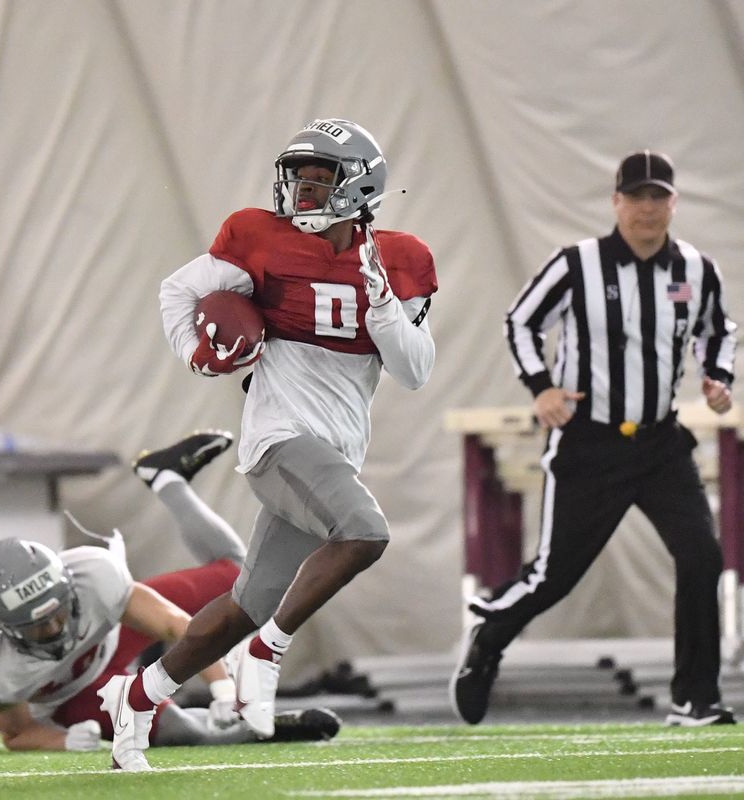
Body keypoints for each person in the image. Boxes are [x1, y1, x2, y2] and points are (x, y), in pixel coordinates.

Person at [98, 119, 438, 770]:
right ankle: (267, 654)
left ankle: (136, 702)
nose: (303, 191)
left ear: (358, 185)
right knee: (364, 532)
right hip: (279, 438)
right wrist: (194, 353)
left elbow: (416, 371)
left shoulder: (401, 257)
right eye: (300, 177)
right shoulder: (258, 237)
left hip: (332, 450)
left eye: (319, 179)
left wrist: (383, 305)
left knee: (242, 609)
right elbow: (179, 290)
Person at [450, 150, 738, 728]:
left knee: (702, 556)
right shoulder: (577, 264)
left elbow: (719, 331)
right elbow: (521, 321)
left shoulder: (696, 270)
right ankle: (490, 635)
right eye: (637, 197)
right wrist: (541, 387)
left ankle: (695, 697)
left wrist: (718, 377)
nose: (648, 209)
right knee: (558, 573)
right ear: (616, 202)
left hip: (659, 442)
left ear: (674, 203)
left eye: (659, 197)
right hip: (590, 442)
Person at [0, 430, 342, 753]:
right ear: (4, 627)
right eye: (38, 626)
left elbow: (175, 627)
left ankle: (165, 477)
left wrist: (220, 685)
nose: (54, 629)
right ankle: (258, 728)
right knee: (182, 732)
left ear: (68, 585)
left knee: (242, 581)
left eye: (58, 613)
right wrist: (64, 740)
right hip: (75, 693)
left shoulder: (94, 576)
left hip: (112, 632)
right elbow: (17, 734)